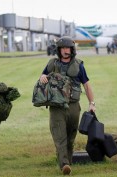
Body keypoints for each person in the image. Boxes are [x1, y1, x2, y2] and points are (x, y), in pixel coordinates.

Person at [38, 36, 96, 175]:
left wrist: (92, 103)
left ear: (72, 49)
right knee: (59, 137)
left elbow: (86, 85)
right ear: (58, 50)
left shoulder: (79, 65)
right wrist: (42, 77)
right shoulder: (52, 64)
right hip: (57, 107)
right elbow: (43, 76)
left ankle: (67, 163)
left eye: (68, 48)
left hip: (73, 106)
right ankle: (64, 164)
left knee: (70, 137)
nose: (65, 50)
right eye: (63, 48)